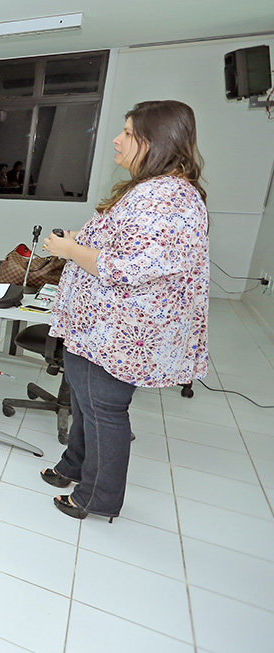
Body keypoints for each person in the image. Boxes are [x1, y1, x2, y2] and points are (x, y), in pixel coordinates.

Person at [40, 100, 209, 522]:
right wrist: (82, 237)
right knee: (84, 400)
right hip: (99, 328)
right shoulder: (154, 190)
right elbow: (127, 243)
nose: (117, 139)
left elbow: (127, 267)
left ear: (156, 142)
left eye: (128, 133)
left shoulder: (164, 197)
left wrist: (67, 249)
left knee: (104, 411)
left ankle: (97, 497)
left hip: (119, 333)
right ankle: (72, 465)